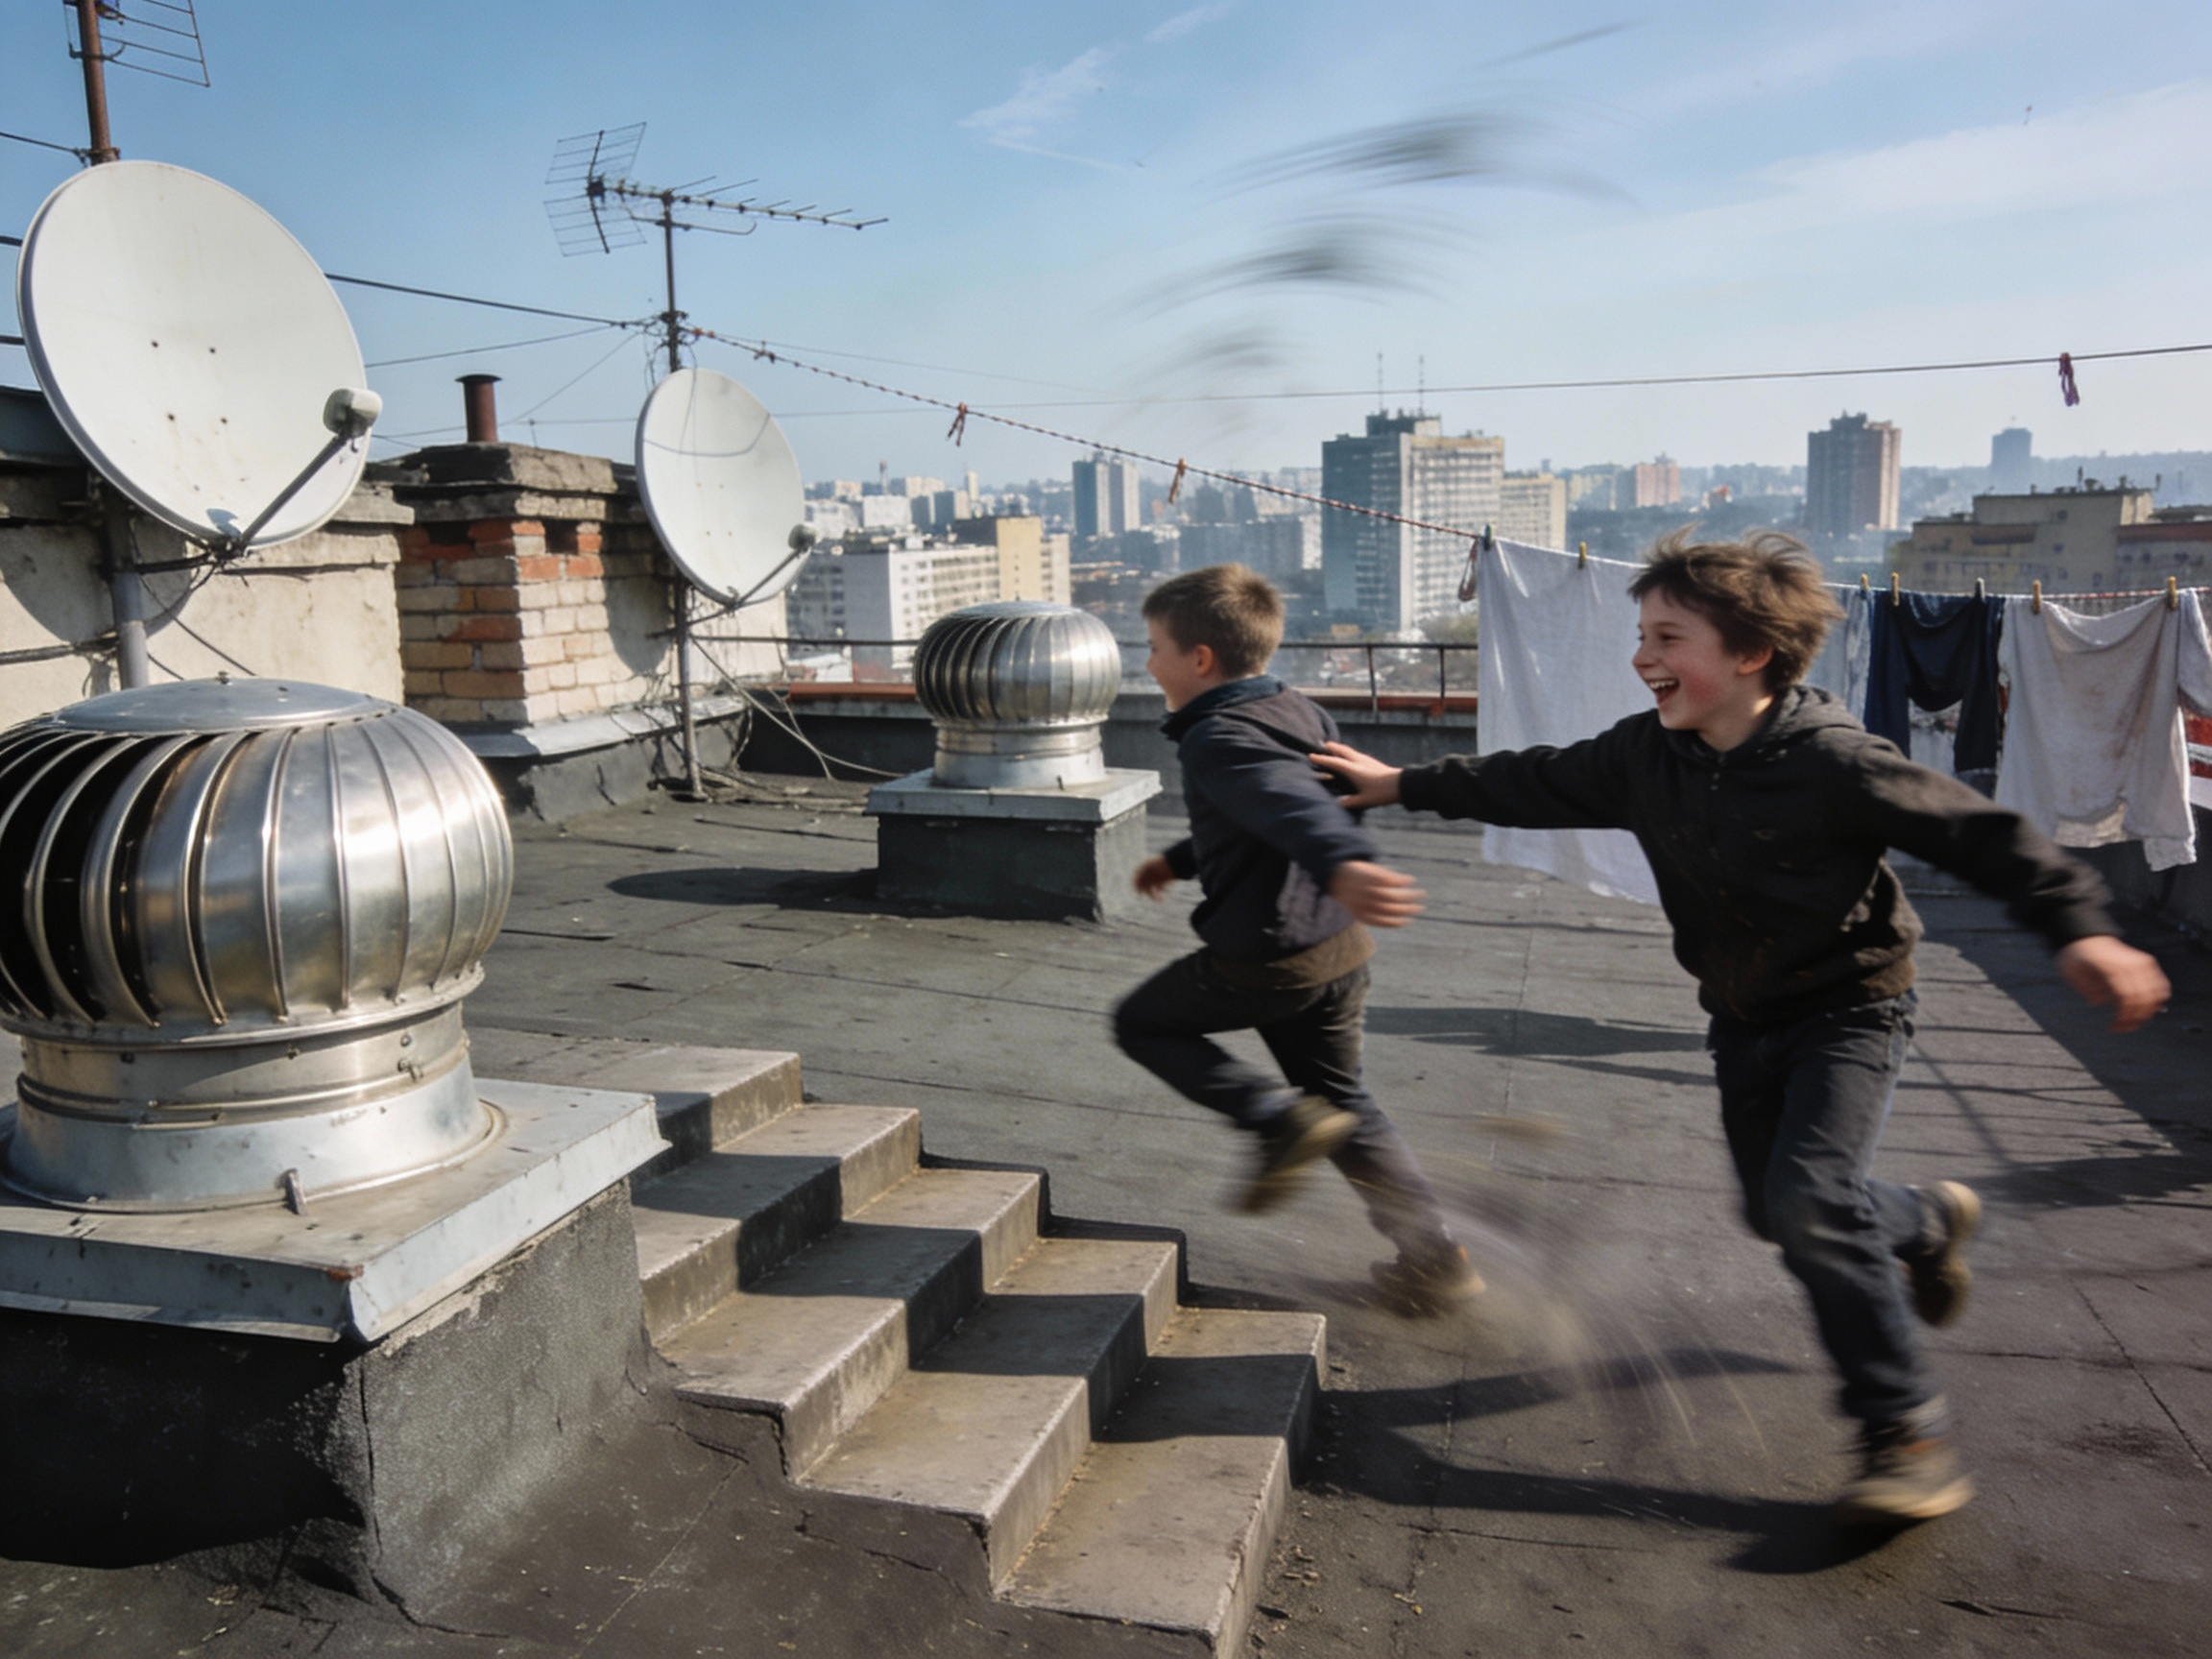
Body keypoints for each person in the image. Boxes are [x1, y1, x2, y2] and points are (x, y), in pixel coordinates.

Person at [1310, 529, 2171, 1524]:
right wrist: (1400, 781)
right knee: (1780, 1214)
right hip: (1743, 1012)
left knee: (1809, 1201)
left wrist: (2081, 931)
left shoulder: (1835, 762)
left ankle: (1908, 1433)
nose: (1643, 656)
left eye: (1668, 636)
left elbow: (1980, 834)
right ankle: (1927, 1220)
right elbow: (1532, 779)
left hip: (1851, 1008)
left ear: (1751, 653)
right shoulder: (1648, 755)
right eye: (1642, 632)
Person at [1113, 563, 1482, 1313]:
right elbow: (1273, 808)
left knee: (1142, 1022)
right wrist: (1181, 860)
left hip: (1272, 955)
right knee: (1344, 1100)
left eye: (1153, 647)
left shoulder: (1216, 737)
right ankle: (1435, 1258)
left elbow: (1287, 806)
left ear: (1200, 660)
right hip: (1339, 948)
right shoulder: (1297, 708)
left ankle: (1274, 1120)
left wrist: (1343, 861)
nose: (1147, 663)